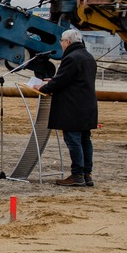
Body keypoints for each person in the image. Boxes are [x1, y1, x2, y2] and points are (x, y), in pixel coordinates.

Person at [36, 28, 98, 187]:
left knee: (73, 140)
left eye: (62, 41)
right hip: (87, 106)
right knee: (85, 140)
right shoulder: (88, 56)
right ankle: (86, 174)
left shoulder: (71, 58)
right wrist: (55, 79)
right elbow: (73, 79)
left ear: (68, 42)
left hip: (72, 107)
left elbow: (61, 81)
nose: (61, 44)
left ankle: (77, 175)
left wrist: (43, 88)